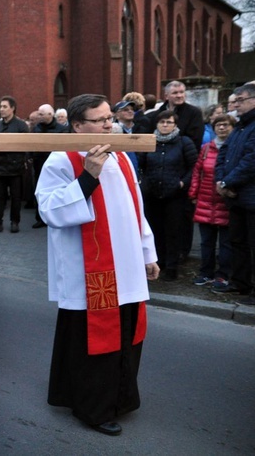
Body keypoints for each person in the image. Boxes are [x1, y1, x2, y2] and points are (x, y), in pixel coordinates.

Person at [36, 93, 159, 437]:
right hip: (88, 270)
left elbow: (136, 208)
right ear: (77, 126)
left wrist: (148, 253)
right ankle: (92, 407)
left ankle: (119, 398)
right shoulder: (61, 160)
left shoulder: (119, 156)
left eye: (110, 118)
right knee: (93, 341)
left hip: (128, 264)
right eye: (101, 119)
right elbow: (50, 210)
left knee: (126, 335)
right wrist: (88, 176)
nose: (110, 124)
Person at [137, 110, 198, 281]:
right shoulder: (150, 142)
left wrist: (182, 183)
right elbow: (140, 164)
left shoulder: (184, 142)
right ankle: (159, 262)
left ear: (175, 125)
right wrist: (145, 182)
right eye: (162, 122)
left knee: (173, 231)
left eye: (169, 122)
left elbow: (194, 166)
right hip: (152, 193)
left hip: (175, 195)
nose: (165, 125)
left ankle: (172, 267)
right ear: (156, 124)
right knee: (155, 230)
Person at [215, 83, 255, 305]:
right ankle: (240, 283)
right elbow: (223, 154)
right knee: (237, 242)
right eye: (235, 100)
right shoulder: (239, 127)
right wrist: (221, 181)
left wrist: (228, 182)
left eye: (240, 100)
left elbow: (251, 161)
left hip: (250, 196)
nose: (235, 105)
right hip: (235, 197)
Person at [189, 114, 235, 290]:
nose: (222, 128)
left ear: (232, 128)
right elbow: (197, 172)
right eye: (218, 125)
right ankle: (206, 273)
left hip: (226, 202)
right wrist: (193, 194)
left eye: (225, 125)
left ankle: (223, 275)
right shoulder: (207, 148)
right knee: (206, 242)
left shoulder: (234, 148)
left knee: (226, 242)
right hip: (206, 200)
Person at [0, 96, 29, 234]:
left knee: (16, 197)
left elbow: (24, 146)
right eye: (0, 107)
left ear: (12, 108)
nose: (1, 109)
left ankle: (14, 221)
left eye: (5, 107)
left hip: (15, 168)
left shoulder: (21, 125)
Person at [32, 103, 68, 228]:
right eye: (38, 113)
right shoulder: (36, 128)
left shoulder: (62, 129)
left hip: (55, 165)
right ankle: (40, 217)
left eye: (41, 114)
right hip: (39, 164)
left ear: (50, 115)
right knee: (39, 189)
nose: (39, 116)